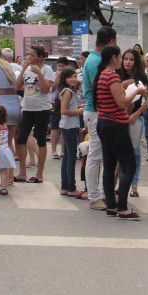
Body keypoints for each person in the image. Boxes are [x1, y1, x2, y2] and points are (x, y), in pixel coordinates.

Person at [94, 45, 145, 220]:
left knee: (109, 166)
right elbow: (122, 102)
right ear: (114, 58)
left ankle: (111, 205)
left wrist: (123, 86)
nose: (122, 61)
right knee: (128, 165)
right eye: (120, 57)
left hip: (103, 123)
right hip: (116, 124)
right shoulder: (112, 76)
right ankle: (122, 207)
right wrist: (137, 91)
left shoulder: (102, 75)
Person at [82, 26, 117, 211]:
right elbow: (103, 89)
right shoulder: (96, 62)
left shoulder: (94, 59)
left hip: (97, 111)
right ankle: (94, 196)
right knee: (95, 154)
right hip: (96, 111)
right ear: (111, 41)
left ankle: (102, 193)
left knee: (101, 154)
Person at [15, 45, 54, 183]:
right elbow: (16, 86)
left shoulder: (47, 69)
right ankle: (22, 173)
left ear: (40, 57)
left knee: (41, 138)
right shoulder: (27, 69)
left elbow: (45, 89)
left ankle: (39, 174)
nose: (29, 57)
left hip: (42, 109)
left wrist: (39, 74)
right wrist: (24, 69)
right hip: (27, 108)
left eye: (32, 55)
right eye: (28, 55)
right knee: (21, 139)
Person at [119, 49, 148, 197]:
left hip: (135, 119)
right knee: (120, 152)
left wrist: (136, 114)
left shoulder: (141, 78)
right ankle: (120, 182)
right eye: (126, 59)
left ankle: (134, 185)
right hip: (118, 118)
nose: (128, 62)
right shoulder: (117, 75)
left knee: (135, 152)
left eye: (131, 59)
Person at [57, 67, 84, 196]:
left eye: (75, 76)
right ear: (65, 79)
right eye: (70, 77)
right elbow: (64, 111)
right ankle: (71, 188)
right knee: (71, 157)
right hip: (69, 126)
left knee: (67, 157)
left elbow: (68, 107)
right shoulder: (68, 91)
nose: (73, 79)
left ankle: (65, 187)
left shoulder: (67, 91)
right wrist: (78, 112)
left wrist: (79, 107)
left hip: (67, 126)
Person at [49, 56, 70, 159]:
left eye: (62, 66)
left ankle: (63, 150)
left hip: (66, 103)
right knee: (55, 127)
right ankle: (53, 151)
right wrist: (57, 76)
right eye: (59, 66)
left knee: (64, 127)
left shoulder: (70, 77)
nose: (60, 68)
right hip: (55, 103)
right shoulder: (54, 75)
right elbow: (52, 88)